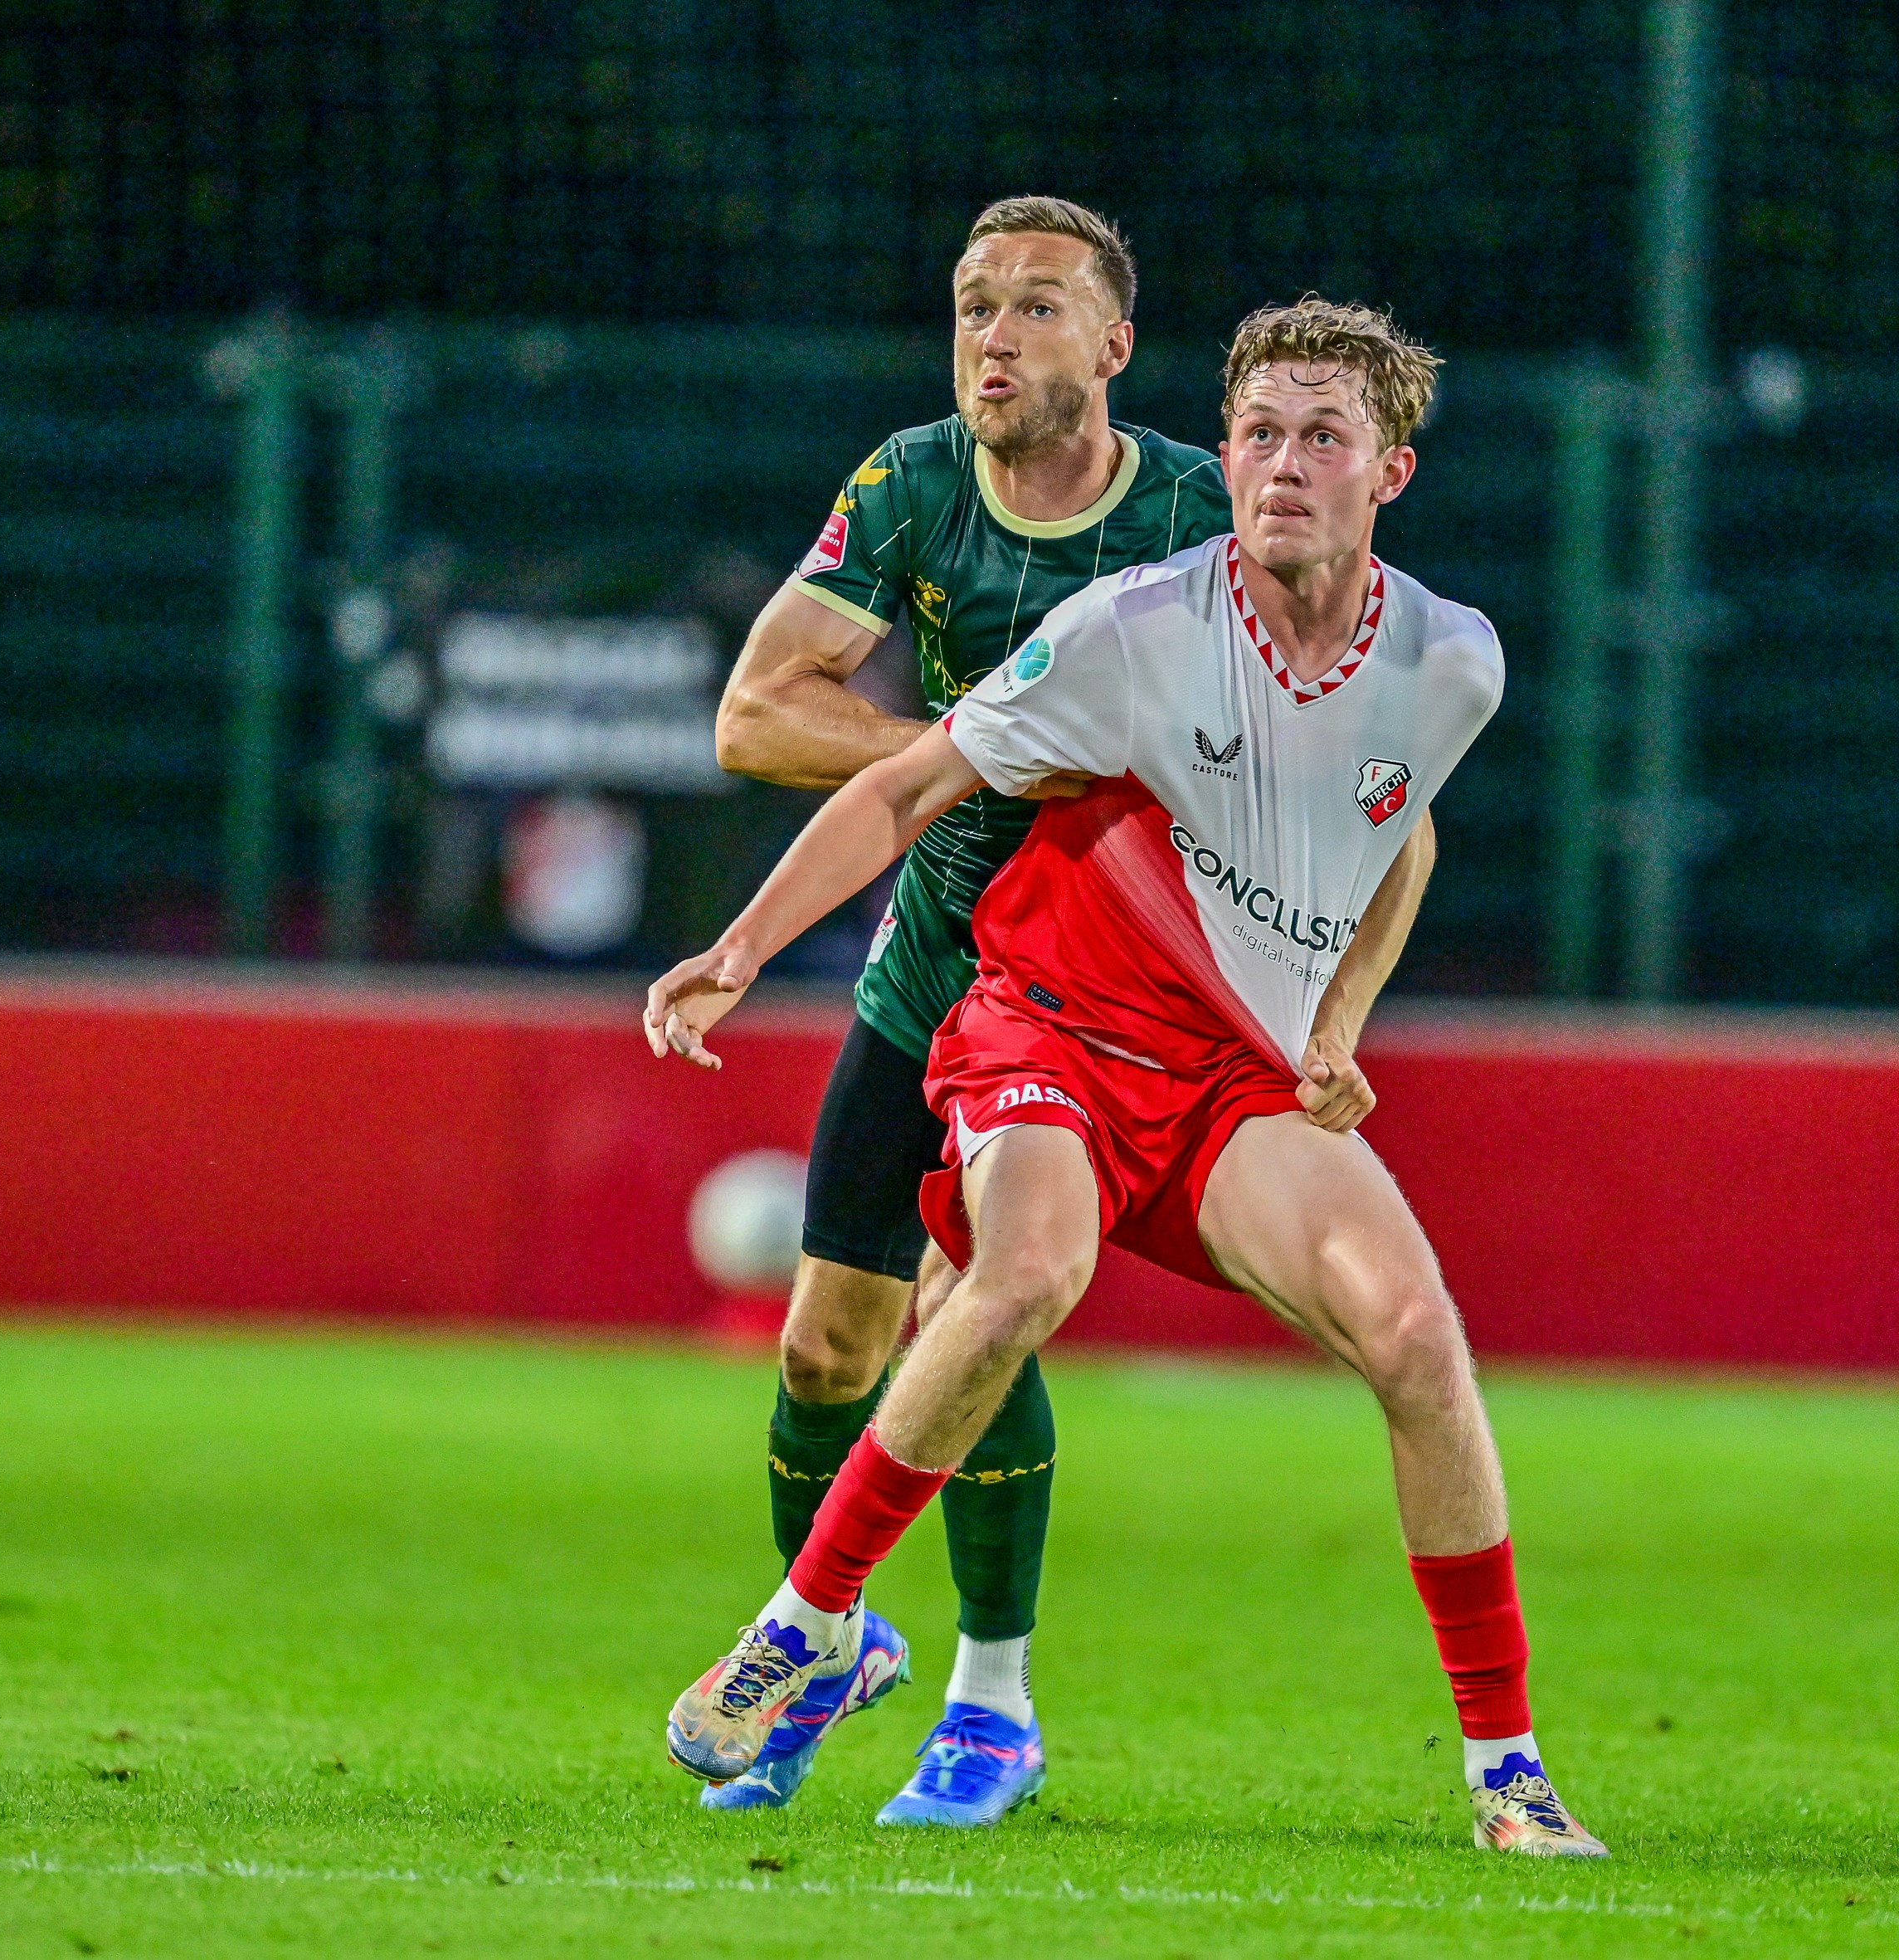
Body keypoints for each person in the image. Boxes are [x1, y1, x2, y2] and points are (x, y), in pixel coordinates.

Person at [649, 298, 1604, 1856]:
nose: (1281, 464)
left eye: (1320, 436)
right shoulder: (1135, 629)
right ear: (1220, 454)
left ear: (1391, 472)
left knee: (1419, 1336)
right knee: (1026, 1269)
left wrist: (1337, 1023)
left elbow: (1397, 834)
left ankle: (1505, 1769)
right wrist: (742, 949)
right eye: (1256, 434)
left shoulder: (1450, 663)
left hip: (1228, 1080)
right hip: (1049, 1029)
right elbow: (905, 779)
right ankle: (807, 1620)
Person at [699, 196, 1234, 1824]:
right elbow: (753, 714)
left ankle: (989, 1703)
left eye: (1035, 308)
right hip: (924, 963)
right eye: (971, 305)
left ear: (1113, 346)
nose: (993, 335)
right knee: (821, 1344)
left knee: (981, 1298)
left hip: (1080, 989)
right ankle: (831, 1641)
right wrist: (974, 748)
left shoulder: (1198, 513)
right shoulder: (910, 479)